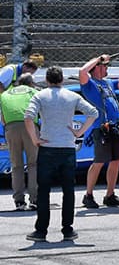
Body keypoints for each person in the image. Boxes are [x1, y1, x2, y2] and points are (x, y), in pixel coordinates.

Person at [24, 66, 98, 242]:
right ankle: (68, 229)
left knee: (44, 190)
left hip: (47, 147)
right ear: (62, 80)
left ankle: (41, 230)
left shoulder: (40, 96)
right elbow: (93, 113)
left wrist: (35, 139)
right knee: (68, 190)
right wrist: (79, 133)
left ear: (48, 80)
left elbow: (28, 117)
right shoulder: (72, 96)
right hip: (67, 147)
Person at [79, 51, 119, 209]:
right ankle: (88, 195)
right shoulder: (89, 84)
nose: (107, 68)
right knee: (99, 161)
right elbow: (82, 71)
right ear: (96, 68)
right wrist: (98, 58)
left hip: (115, 127)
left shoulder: (108, 83)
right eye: (105, 66)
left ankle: (110, 195)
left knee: (116, 161)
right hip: (101, 128)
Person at [0, 74, 39, 210]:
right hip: (30, 126)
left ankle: (19, 201)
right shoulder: (34, 92)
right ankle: (34, 199)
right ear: (30, 84)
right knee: (33, 164)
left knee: (16, 165)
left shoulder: (5, 94)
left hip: (11, 128)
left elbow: (3, 119)